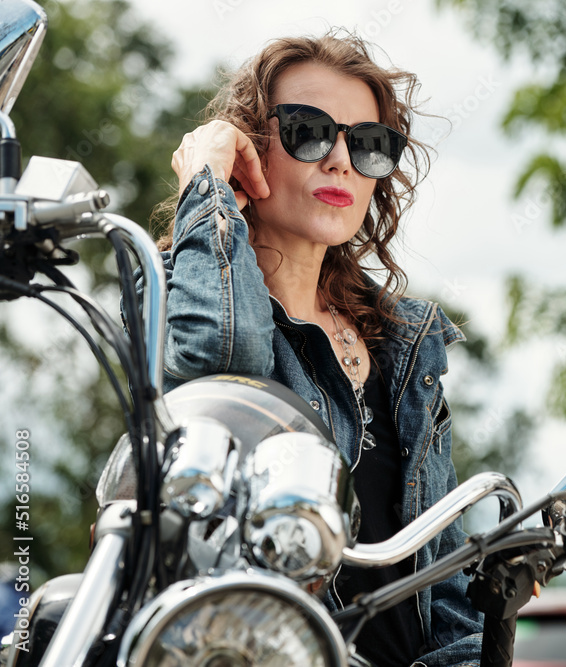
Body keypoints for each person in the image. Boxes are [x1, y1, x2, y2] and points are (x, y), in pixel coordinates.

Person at [155, 31, 482, 667]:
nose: (340, 161)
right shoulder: (178, 296)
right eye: (309, 130)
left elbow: (445, 586)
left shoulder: (406, 345)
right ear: (251, 147)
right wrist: (207, 179)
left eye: (368, 145)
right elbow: (222, 357)